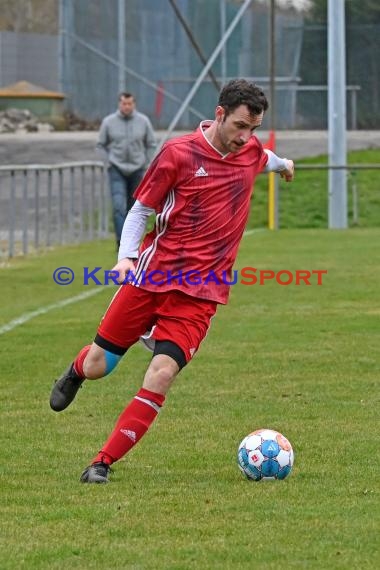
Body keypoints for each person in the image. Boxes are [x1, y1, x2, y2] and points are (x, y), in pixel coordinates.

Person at [50, 79, 295, 484]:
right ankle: (76, 371)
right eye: (238, 126)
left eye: (252, 128)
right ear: (219, 115)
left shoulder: (249, 149)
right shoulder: (178, 154)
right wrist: (125, 259)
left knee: (161, 372)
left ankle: (102, 462)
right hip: (151, 276)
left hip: (202, 293)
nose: (245, 137)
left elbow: (265, 156)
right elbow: (140, 210)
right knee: (99, 365)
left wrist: (285, 165)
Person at [96, 91, 156, 248]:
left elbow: (151, 144)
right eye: (124, 103)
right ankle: (121, 242)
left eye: (129, 104)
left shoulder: (143, 121)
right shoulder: (109, 122)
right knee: (118, 207)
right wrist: (108, 162)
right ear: (119, 104)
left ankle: (132, 244)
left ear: (134, 104)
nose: (127, 106)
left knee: (134, 209)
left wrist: (146, 162)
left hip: (137, 169)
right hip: (116, 169)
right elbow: (100, 145)